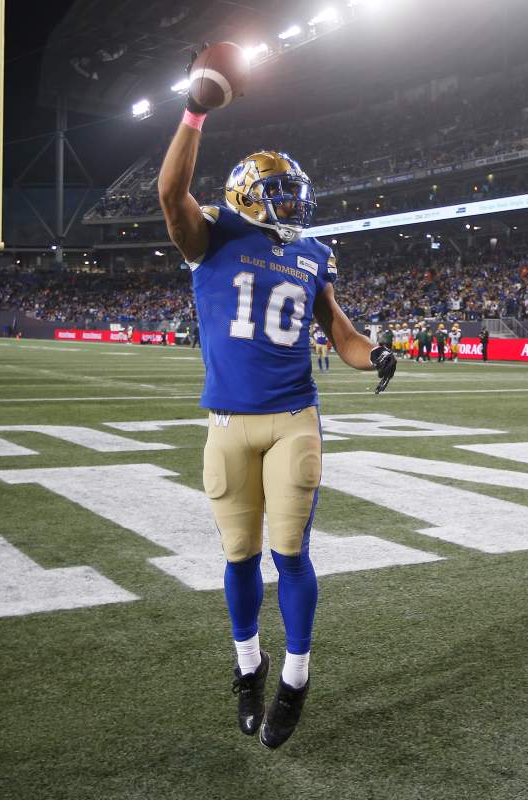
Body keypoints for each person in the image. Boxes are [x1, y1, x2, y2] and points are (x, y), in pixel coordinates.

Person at [156, 80, 397, 750]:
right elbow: (169, 194)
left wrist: (373, 352)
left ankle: (295, 677)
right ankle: (248, 667)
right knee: (238, 556)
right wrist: (194, 113)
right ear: (243, 194)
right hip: (228, 423)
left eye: (293, 194)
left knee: (290, 552)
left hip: (294, 417)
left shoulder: (311, 253)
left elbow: (341, 334)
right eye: (277, 193)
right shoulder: (211, 234)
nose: (289, 204)